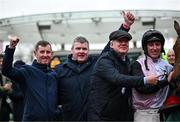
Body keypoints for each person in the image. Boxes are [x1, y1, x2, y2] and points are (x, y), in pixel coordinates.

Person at [55, 11, 136, 121]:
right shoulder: (60, 69)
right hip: (70, 117)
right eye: (78, 48)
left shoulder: (97, 63)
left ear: (88, 50)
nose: (81, 51)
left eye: (84, 49)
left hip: (94, 116)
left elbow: (111, 45)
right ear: (71, 50)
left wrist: (126, 26)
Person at [2, 36, 59, 121]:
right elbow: (7, 71)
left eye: (48, 52)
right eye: (42, 52)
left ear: (51, 54)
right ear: (35, 53)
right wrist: (11, 48)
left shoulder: (53, 75)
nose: (45, 55)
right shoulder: (27, 71)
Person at [130, 29, 173, 122]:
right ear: (145, 47)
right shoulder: (137, 64)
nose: (155, 48)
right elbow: (142, 88)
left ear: (161, 47)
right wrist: (166, 81)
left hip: (164, 113)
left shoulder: (168, 66)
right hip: (144, 114)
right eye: (151, 45)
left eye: (157, 44)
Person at [0, 54, 12, 122]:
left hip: (6, 106)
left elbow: (10, 90)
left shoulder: (5, 74)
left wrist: (8, 88)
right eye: (0, 61)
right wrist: (4, 88)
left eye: (2, 61)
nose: (1, 63)